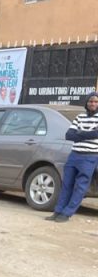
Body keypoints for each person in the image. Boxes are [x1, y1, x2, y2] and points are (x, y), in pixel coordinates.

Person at [46, 92, 98, 222]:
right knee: (66, 184)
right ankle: (58, 211)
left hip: (90, 157)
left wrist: (79, 133)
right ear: (86, 103)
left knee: (80, 187)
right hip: (74, 155)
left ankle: (67, 213)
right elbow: (68, 135)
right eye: (91, 101)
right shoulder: (80, 117)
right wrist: (88, 134)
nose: (93, 104)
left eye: (96, 102)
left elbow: (96, 134)